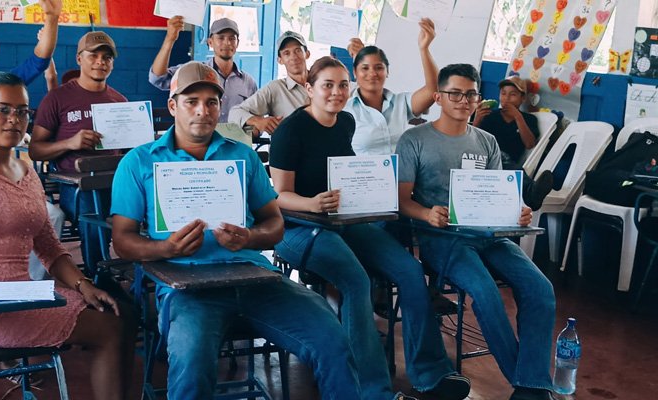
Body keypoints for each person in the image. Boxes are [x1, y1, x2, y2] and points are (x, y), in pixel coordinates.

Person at [111, 61, 361, 399]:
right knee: (191, 358)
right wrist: (165, 249)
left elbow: (274, 224)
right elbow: (122, 241)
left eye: (212, 102)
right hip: (188, 288)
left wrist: (251, 237)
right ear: (172, 106)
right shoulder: (139, 162)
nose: (203, 111)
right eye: (191, 101)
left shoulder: (242, 156)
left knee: (332, 338)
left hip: (255, 277)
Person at [0, 72, 136, 400]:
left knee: (120, 310)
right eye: (3, 109)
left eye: (22, 111)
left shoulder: (26, 169)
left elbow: (48, 244)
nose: (14, 119)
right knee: (111, 329)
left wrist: (83, 285)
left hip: (23, 294)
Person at [269, 56, 470, 400]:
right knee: (356, 280)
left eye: (342, 85)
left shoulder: (346, 122)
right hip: (297, 226)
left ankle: (431, 372)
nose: (336, 92)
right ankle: (371, 390)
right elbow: (278, 196)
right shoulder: (291, 130)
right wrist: (312, 203)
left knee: (408, 270)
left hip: (343, 220)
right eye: (327, 85)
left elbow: (346, 174)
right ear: (309, 89)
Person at [396, 63, 556, 400]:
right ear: (438, 97)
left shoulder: (487, 141)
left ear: (478, 98)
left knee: (540, 288)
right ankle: (530, 387)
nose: (463, 100)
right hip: (444, 238)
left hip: (490, 236)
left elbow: (497, 194)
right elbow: (400, 202)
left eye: (470, 94)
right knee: (484, 294)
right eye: (455, 93)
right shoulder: (414, 140)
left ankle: (531, 387)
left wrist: (518, 212)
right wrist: (427, 213)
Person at [29, 30, 125, 269]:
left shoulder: (120, 102)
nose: (101, 62)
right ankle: (99, 275)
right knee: (93, 213)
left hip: (115, 183)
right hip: (77, 186)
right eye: (93, 55)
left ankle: (141, 279)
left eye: (107, 57)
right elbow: (35, 150)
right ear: (79, 59)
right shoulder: (57, 99)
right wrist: (69, 143)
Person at [344, 18, 437, 154]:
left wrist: (424, 49)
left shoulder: (401, 103)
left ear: (387, 71)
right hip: (363, 175)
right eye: (365, 68)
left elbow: (432, 90)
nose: (372, 73)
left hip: (401, 175)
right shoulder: (346, 111)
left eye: (379, 67)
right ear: (355, 73)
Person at [149, 16, 257, 122]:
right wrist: (170, 39)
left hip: (234, 139)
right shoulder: (194, 72)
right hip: (202, 138)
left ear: (237, 43)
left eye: (232, 38)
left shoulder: (249, 83)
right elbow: (157, 78)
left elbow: (253, 118)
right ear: (210, 42)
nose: (227, 43)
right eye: (221, 37)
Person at [473, 76, 554, 210]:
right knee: (498, 154)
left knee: (505, 160)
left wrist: (518, 117)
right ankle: (530, 191)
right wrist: (477, 120)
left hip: (507, 164)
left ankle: (532, 192)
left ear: (522, 98)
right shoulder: (490, 116)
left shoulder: (528, 119)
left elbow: (529, 144)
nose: (506, 98)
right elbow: (471, 139)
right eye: (503, 93)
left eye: (513, 94)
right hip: (485, 158)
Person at [228, 31, 310, 137]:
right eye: (286, 53)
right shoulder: (275, 89)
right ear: (280, 60)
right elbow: (235, 113)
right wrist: (259, 121)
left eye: (298, 50)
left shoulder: (322, 83)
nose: (293, 57)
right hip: (289, 151)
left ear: (307, 54)